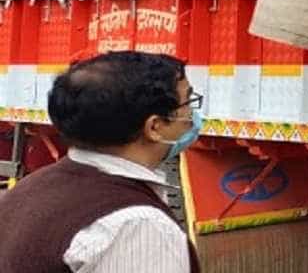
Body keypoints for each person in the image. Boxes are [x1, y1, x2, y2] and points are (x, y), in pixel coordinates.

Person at [0, 51, 204, 272]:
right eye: (188, 102)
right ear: (155, 127)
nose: (192, 116)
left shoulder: (31, 187)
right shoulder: (137, 225)